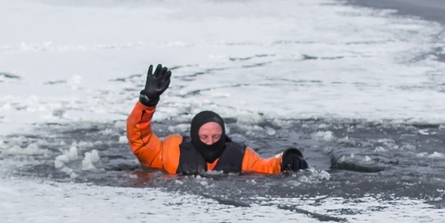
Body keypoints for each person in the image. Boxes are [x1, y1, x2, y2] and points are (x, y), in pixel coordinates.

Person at [126, 64, 309, 175]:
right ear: (194, 137)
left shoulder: (242, 156)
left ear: (224, 136)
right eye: (204, 138)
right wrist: (148, 101)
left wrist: (288, 158)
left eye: (216, 137)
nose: (210, 143)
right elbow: (140, 140)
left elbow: (268, 166)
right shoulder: (169, 151)